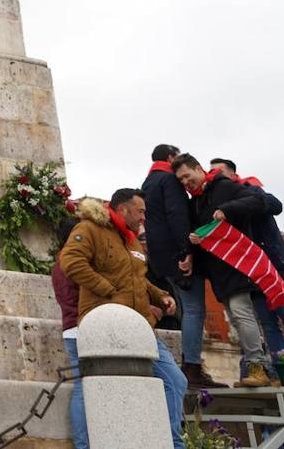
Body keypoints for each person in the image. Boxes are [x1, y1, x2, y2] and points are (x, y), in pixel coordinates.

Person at [58, 191, 186, 449]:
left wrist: (161, 296)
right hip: (106, 324)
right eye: (140, 211)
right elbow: (70, 261)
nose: (144, 217)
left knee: (175, 380)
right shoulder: (90, 229)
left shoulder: (132, 241)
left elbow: (138, 278)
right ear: (124, 209)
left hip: (141, 326)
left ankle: (172, 442)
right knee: (100, 389)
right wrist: (107, 290)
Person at [174, 154, 274, 387]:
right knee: (238, 317)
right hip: (220, 271)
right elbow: (204, 232)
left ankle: (260, 369)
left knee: (241, 313)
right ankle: (256, 369)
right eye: (181, 181)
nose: (185, 183)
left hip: (239, 263)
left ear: (199, 169)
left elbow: (259, 202)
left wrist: (227, 210)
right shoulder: (196, 202)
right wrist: (191, 250)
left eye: (187, 176)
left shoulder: (224, 187)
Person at [141, 143, 222, 388]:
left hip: (158, 256)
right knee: (194, 309)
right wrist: (186, 251)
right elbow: (177, 216)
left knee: (187, 308)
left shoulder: (148, 183)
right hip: (177, 254)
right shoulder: (169, 180)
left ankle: (192, 364)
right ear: (170, 157)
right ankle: (192, 366)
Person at [210, 158, 284, 356]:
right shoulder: (219, 204)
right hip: (255, 272)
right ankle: (283, 368)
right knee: (268, 324)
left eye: (218, 173)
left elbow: (275, 205)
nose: (214, 178)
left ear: (233, 176)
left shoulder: (252, 191)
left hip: (277, 266)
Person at [50, 219, 87, 449]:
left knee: (82, 389)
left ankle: (84, 443)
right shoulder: (74, 262)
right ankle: (83, 444)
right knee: (83, 391)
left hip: (71, 328)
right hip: (81, 327)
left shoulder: (59, 263)